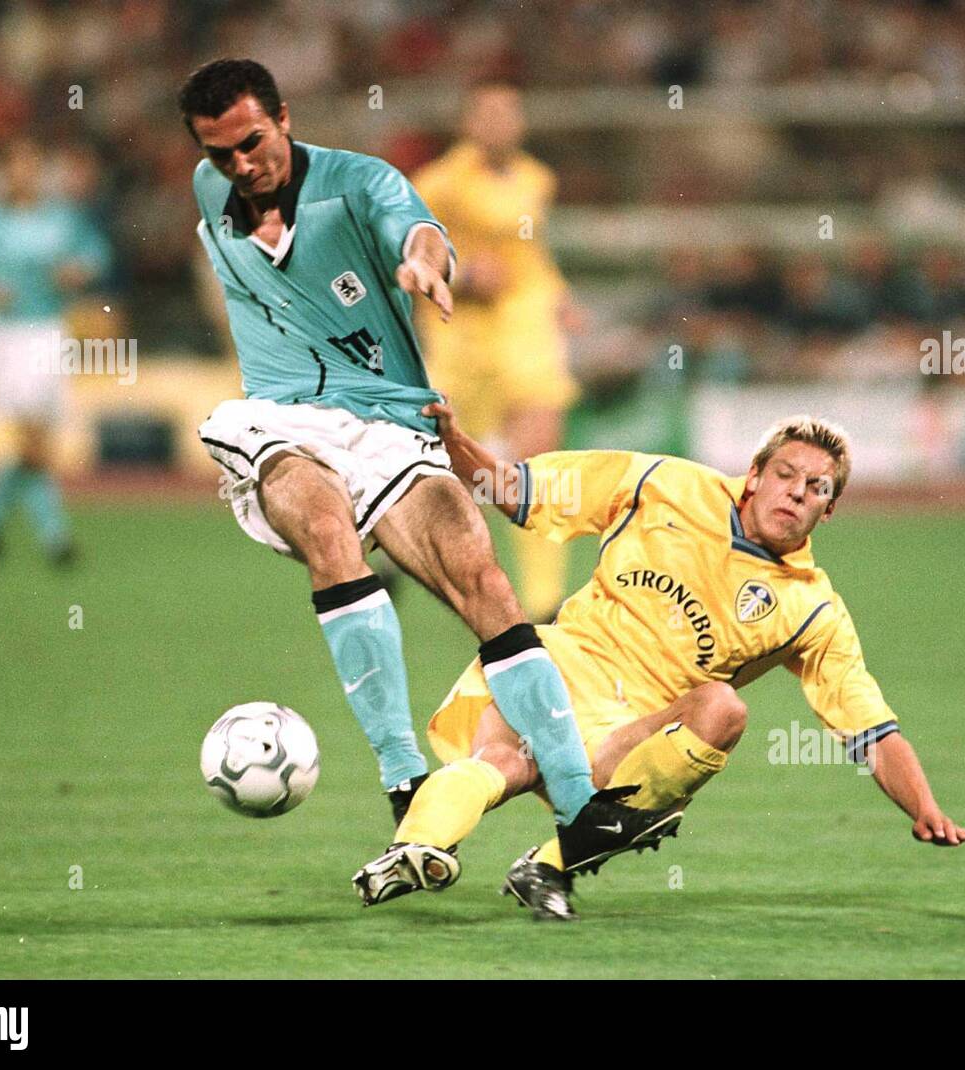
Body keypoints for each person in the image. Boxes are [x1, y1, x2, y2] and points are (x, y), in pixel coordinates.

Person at [177, 59, 677, 869]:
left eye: (253, 143)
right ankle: (407, 782)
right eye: (220, 152)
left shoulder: (359, 182)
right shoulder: (209, 191)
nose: (240, 165)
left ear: (285, 118)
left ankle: (583, 807)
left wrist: (426, 265)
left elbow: (419, 230)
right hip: (278, 418)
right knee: (326, 522)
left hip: (388, 418)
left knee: (484, 580)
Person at [355, 401, 965, 919]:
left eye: (817, 488)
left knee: (722, 709)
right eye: (787, 474)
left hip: (632, 731)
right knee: (505, 764)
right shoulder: (662, 483)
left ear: (829, 509)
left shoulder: (811, 609)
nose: (797, 492)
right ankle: (411, 850)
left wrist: (923, 807)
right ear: (755, 473)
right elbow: (519, 493)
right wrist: (454, 438)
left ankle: (549, 867)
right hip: (559, 664)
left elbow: (868, 727)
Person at [412, 83, 580, 622]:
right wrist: (460, 275)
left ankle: (543, 601)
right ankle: (401, 548)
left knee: (539, 460)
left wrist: (558, 294)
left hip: (525, 329)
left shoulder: (538, 179)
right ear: (467, 123)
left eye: (509, 113)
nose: (499, 124)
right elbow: (410, 257)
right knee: (454, 470)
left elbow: (534, 253)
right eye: (487, 114)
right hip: (461, 338)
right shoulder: (437, 183)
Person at [0, 137, 111, 566]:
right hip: (2, 334)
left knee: (41, 440)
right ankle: (55, 539)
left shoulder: (62, 217)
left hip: (49, 330)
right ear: (3, 171)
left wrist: (79, 271)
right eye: (15, 165)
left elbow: (98, 254)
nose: (24, 173)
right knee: (32, 438)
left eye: (31, 164)